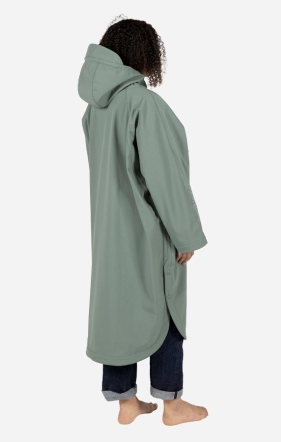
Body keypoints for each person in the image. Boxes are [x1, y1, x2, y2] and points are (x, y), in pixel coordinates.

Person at [77, 16, 209, 425]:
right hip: (147, 230)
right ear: (145, 54)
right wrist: (185, 235)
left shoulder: (95, 109)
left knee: (118, 309)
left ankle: (126, 402)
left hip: (109, 232)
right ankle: (172, 404)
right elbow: (164, 178)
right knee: (164, 304)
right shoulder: (143, 104)